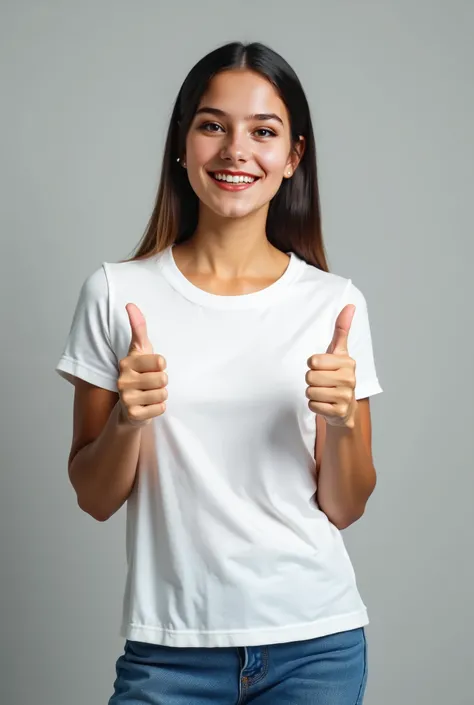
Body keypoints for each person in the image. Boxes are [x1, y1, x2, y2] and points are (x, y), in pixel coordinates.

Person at [56, 41, 383, 705]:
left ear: (293, 157)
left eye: (264, 132)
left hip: (315, 645)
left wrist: (342, 420)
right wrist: (128, 418)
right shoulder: (116, 294)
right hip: (169, 652)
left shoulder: (334, 302)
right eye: (213, 126)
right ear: (182, 146)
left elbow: (345, 505)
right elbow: (93, 496)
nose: (237, 151)